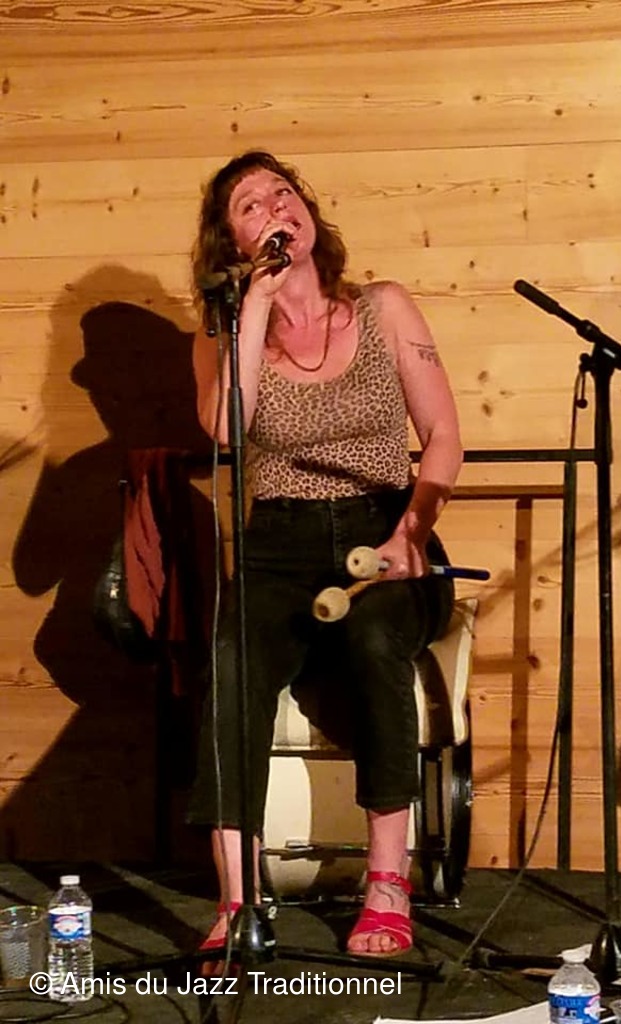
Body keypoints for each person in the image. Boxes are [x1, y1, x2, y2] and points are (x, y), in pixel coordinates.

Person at [186, 150, 463, 958]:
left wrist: (412, 531)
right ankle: (241, 901)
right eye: (251, 204)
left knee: (375, 638)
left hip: (386, 528)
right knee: (231, 658)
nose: (277, 207)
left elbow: (443, 435)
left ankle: (387, 884)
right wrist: (255, 307)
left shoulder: (383, 308)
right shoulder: (218, 336)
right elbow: (226, 431)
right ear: (231, 242)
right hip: (279, 540)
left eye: (284, 192)